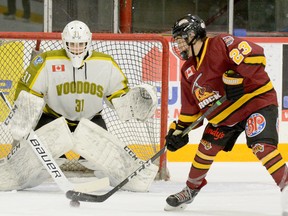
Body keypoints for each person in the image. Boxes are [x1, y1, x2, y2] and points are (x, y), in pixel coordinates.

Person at [0, 20, 158, 192]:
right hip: (53, 120)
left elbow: (118, 96)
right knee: (40, 163)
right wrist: (25, 113)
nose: (76, 48)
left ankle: (125, 177)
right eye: (72, 44)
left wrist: (131, 103)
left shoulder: (106, 63)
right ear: (64, 42)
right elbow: (28, 90)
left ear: (89, 41)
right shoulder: (47, 61)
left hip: (91, 121)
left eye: (81, 44)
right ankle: (16, 175)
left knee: (103, 162)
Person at [164, 14, 288, 213]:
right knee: (204, 150)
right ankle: (190, 190)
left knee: (261, 147)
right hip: (224, 117)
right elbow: (191, 110)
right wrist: (178, 132)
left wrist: (237, 76)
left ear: (193, 35)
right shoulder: (188, 70)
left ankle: (287, 190)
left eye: (180, 39)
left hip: (255, 103)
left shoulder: (221, 43)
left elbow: (256, 54)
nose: (178, 45)